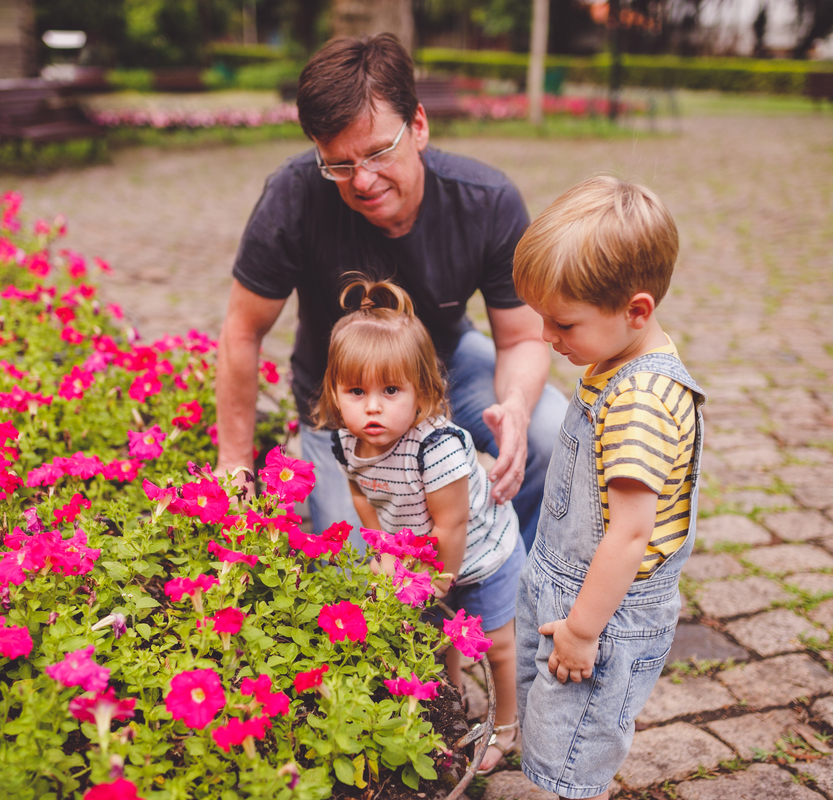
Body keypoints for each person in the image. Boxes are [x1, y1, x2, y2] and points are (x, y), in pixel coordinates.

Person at [214, 33, 568, 551]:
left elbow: (521, 338)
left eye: (379, 153)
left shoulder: (486, 201)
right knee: (358, 561)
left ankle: (515, 576)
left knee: (551, 435)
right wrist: (234, 464)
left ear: (418, 125)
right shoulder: (293, 195)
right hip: (342, 399)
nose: (362, 181)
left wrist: (515, 406)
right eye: (339, 164)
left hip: (446, 367)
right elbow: (242, 332)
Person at [510, 176, 707, 800]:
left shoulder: (640, 401)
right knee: (547, 726)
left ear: (636, 311)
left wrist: (581, 630)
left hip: (601, 613)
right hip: (564, 586)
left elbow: (629, 533)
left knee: (573, 749)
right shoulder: (613, 358)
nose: (547, 336)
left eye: (563, 322)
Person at [314, 277, 522, 774]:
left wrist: (440, 582)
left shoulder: (436, 447)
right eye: (356, 391)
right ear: (335, 392)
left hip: (480, 554)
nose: (372, 406)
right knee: (436, 642)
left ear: (422, 391)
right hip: (421, 559)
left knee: (496, 645)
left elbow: (451, 524)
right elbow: (362, 493)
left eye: (390, 390)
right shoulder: (347, 443)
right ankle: (452, 706)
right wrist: (384, 548)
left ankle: (505, 724)